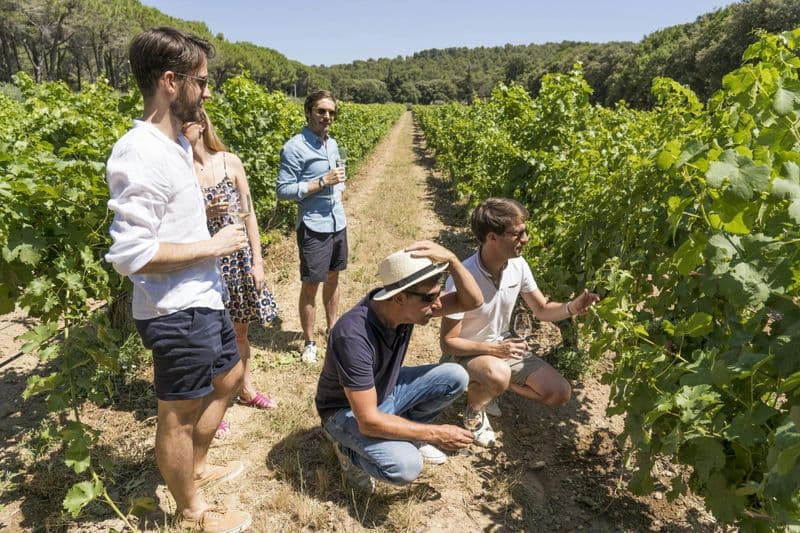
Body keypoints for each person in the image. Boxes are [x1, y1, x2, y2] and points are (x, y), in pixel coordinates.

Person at [105, 27, 251, 532]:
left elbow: (163, 219)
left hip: (203, 297)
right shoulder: (138, 150)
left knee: (231, 378)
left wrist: (200, 211)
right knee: (179, 416)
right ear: (171, 81)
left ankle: (192, 468)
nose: (207, 92)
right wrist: (214, 244)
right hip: (176, 310)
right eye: (202, 81)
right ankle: (192, 511)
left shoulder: (171, 146)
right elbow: (132, 253)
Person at [314, 241, 483, 493]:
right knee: (405, 467)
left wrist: (453, 259)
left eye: (438, 295)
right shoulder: (353, 336)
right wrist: (435, 434)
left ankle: (407, 433)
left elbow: (472, 302)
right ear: (400, 297)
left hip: (384, 389)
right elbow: (368, 420)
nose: (438, 305)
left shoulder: (407, 308)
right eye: (430, 298)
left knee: (456, 375)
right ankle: (348, 451)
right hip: (345, 411)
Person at [439, 197, 599, 447]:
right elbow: (448, 343)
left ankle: (491, 386)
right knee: (498, 374)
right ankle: (474, 408)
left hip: (502, 349)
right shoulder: (463, 279)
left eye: (525, 232)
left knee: (559, 392)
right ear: (492, 237)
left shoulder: (518, 265)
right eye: (518, 234)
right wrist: (494, 351)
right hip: (464, 354)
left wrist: (572, 307)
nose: (525, 239)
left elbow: (542, 309)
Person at [183, 109, 280, 439]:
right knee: (212, 341)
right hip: (206, 264)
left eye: (191, 121)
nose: (186, 128)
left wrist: (258, 261)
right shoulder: (180, 172)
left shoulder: (230, 162)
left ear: (203, 123)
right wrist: (203, 211)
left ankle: (245, 388)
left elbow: (249, 214)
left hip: (238, 261)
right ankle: (214, 405)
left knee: (239, 334)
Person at [276, 90, 347, 364]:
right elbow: (283, 190)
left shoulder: (332, 143)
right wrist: (322, 182)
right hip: (313, 226)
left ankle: (333, 330)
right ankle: (309, 342)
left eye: (331, 112)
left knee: (334, 278)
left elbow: (337, 178)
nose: (327, 116)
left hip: (337, 221)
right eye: (321, 111)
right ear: (308, 112)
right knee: (311, 284)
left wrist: (339, 185)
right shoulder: (294, 147)